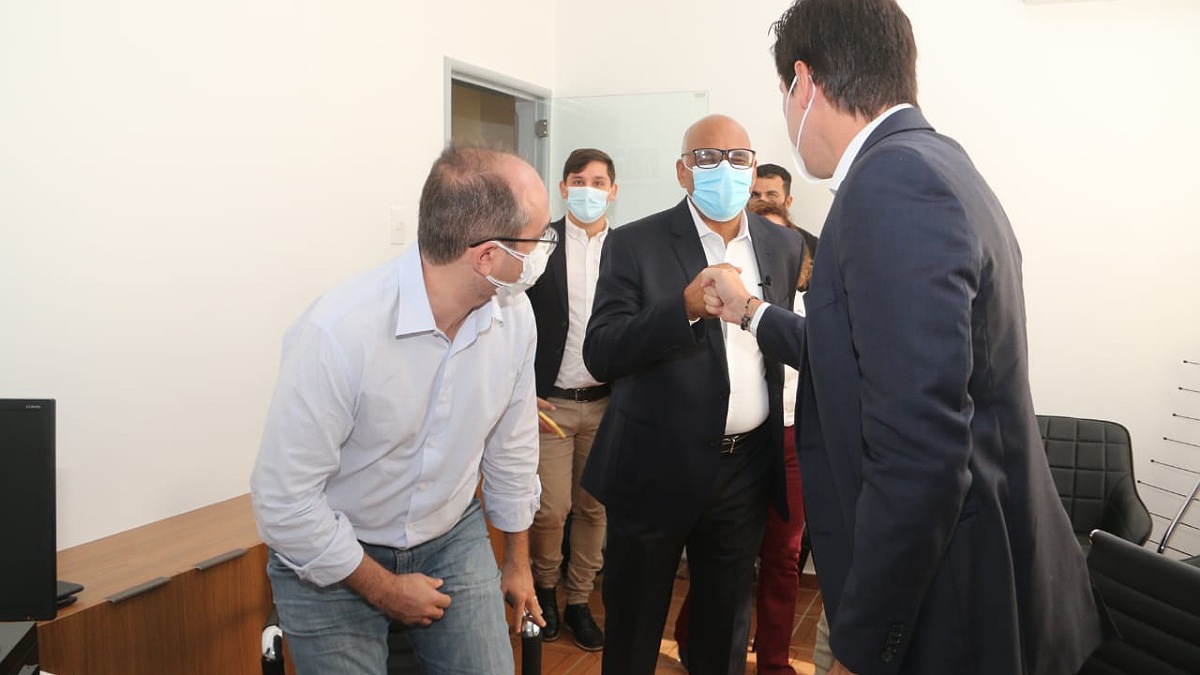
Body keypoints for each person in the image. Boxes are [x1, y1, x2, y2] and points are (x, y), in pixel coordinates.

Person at [700, 1, 1107, 674]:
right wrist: (750, 312)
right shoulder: (936, 161)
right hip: (978, 571)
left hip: (950, 599)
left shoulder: (892, 184)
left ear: (804, 83)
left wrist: (865, 643)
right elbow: (865, 357)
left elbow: (921, 453)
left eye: (784, 92)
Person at [250, 145, 554, 675]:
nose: (545, 250)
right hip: (334, 546)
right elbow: (285, 503)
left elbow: (513, 448)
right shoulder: (338, 333)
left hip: (450, 534)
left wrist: (517, 561)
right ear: (487, 256)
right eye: (538, 238)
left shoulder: (515, 317)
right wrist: (386, 589)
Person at [581, 114, 805, 675]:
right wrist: (680, 309)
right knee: (633, 632)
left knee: (724, 630)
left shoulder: (783, 243)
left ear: (752, 169)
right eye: (706, 158)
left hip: (744, 470)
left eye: (737, 158)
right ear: (683, 172)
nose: (723, 169)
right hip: (654, 466)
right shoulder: (635, 243)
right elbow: (602, 353)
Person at [673, 198, 811, 675]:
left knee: (783, 558)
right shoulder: (720, 299)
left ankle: (774, 662)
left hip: (792, 441)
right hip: (744, 442)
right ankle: (692, 638)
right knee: (726, 555)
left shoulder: (814, 305)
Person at [524, 148, 618, 651]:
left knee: (593, 507)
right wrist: (521, 391)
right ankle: (545, 590)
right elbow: (512, 317)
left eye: (598, 182)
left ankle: (579, 599)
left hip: (606, 404)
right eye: (578, 181)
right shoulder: (540, 245)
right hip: (551, 405)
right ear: (563, 189)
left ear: (613, 191)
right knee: (551, 509)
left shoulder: (628, 249)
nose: (588, 190)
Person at [750, 163, 819, 258]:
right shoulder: (734, 236)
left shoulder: (812, 246)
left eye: (772, 195)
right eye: (754, 195)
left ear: (787, 202)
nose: (762, 200)